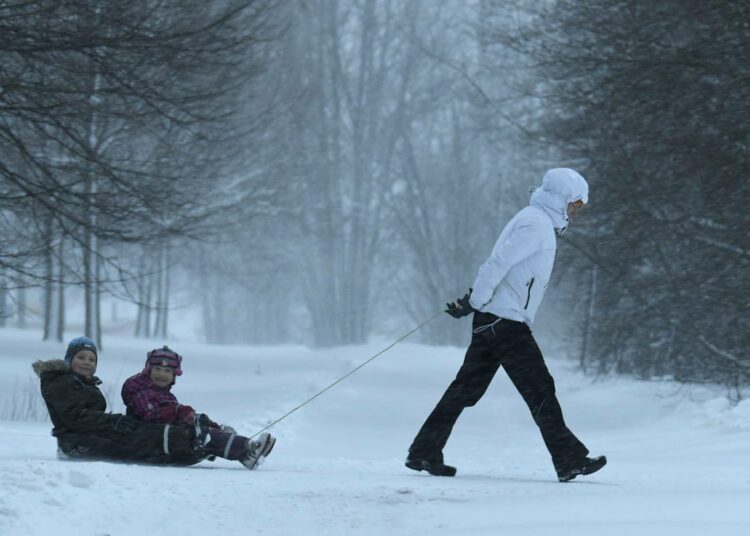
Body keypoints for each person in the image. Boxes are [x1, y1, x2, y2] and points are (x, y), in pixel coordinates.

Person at [405, 168, 607, 482]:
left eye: (578, 207)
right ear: (560, 199)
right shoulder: (535, 223)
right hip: (505, 323)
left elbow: (502, 267)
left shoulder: (534, 220)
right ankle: (569, 459)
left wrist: (474, 300)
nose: (575, 212)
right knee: (539, 389)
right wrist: (474, 300)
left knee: (465, 390)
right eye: (574, 204)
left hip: (494, 320)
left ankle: (423, 451)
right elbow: (498, 263)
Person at [34, 336, 207, 466]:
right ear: (70, 359)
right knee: (134, 445)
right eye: (81, 357)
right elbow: (75, 418)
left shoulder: (80, 382)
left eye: (92, 359)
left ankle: (187, 442)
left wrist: (114, 423)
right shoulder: (61, 382)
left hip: (88, 436)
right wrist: (113, 421)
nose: (87, 363)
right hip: (76, 444)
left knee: (137, 433)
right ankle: (181, 450)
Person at [121, 345, 275, 470]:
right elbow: (151, 415)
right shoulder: (142, 393)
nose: (162, 374)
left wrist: (198, 421)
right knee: (201, 436)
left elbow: (173, 416)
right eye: (157, 369)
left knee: (204, 430)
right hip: (150, 442)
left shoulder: (165, 395)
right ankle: (247, 451)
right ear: (149, 370)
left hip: (166, 438)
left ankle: (238, 448)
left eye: (167, 371)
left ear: (174, 375)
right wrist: (179, 412)